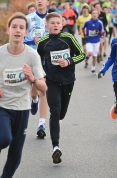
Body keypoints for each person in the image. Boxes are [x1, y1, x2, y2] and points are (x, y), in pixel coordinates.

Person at [0, 12, 47, 177]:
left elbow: (43, 87)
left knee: (16, 150)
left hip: (22, 107)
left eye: (21, 28)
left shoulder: (32, 55)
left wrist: (31, 78)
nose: (17, 30)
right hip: (0, 104)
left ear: (26, 33)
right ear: (8, 30)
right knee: (4, 139)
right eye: (14, 27)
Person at [37, 12, 85, 164]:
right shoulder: (43, 42)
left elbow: (81, 55)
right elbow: (38, 61)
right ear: (47, 26)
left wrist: (69, 61)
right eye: (52, 23)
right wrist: (41, 76)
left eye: (58, 22)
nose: (56, 25)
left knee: (61, 114)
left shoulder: (68, 38)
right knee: (55, 111)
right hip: (51, 82)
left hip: (68, 80)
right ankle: (55, 147)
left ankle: (56, 126)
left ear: (62, 24)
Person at [24, 0, 50, 139]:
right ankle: (33, 99)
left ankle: (41, 124)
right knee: (34, 90)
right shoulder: (28, 19)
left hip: (47, 60)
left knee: (44, 90)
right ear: (35, 1)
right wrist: (31, 40)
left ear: (47, 2)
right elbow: (20, 38)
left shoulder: (52, 18)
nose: (39, 0)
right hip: (32, 59)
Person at [82, 9, 104, 74]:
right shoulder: (87, 22)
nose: (94, 15)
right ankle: (87, 57)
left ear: (98, 15)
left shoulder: (100, 22)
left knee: (94, 56)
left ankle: (93, 68)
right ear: (91, 14)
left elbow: (102, 31)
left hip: (96, 41)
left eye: (96, 13)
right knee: (90, 52)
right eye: (93, 13)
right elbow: (83, 28)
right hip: (89, 40)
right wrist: (84, 35)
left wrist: (100, 32)